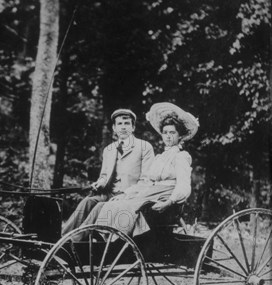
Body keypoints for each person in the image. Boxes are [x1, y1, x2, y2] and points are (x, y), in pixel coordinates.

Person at [74, 102, 199, 238]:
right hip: (151, 193)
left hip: (165, 198)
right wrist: (126, 194)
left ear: (180, 136)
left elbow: (184, 186)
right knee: (107, 205)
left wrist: (168, 202)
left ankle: (113, 239)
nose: (168, 136)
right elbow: (148, 183)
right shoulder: (160, 157)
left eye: (172, 133)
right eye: (165, 133)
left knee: (123, 208)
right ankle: (86, 238)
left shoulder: (181, 157)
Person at [61, 108, 155, 234]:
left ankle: (74, 240)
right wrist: (99, 182)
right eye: (119, 124)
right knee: (87, 202)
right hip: (109, 194)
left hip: (130, 196)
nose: (123, 127)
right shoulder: (109, 150)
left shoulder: (144, 147)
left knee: (99, 207)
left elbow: (147, 181)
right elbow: (104, 176)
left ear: (133, 127)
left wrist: (126, 194)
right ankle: (61, 238)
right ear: (114, 128)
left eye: (127, 124)